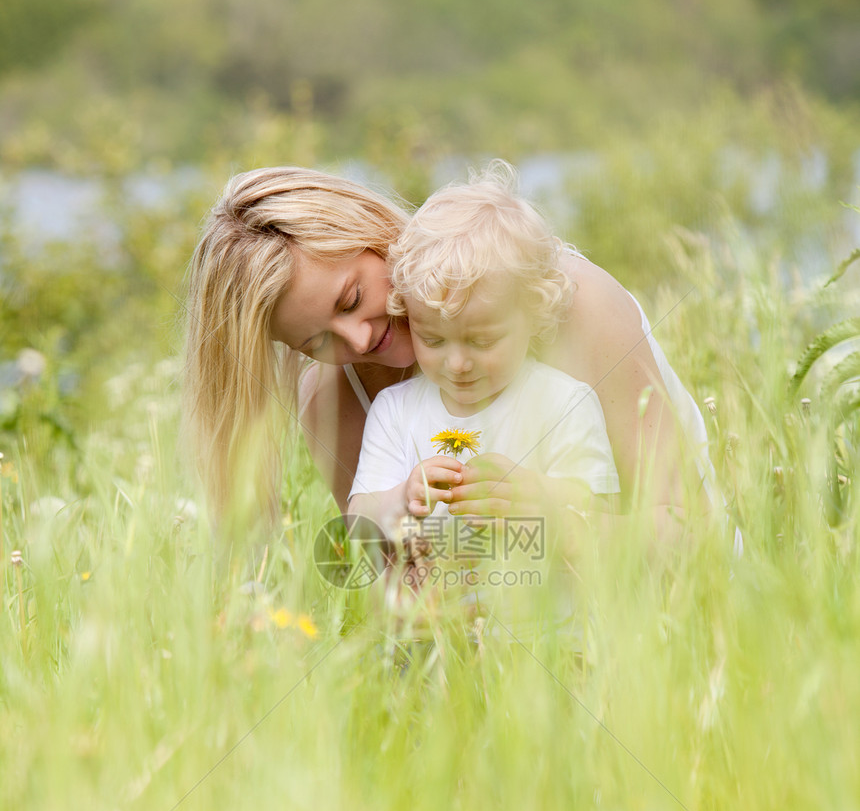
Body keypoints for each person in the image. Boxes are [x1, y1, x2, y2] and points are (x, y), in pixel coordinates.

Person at [182, 162, 719, 539]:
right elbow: (389, 578)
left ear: (369, 232)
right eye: (315, 341)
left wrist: (554, 521)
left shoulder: (570, 305)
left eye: (352, 298)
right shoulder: (330, 399)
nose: (360, 341)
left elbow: (691, 534)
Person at [347, 170, 619, 549]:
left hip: (540, 601)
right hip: (434, 602)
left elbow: (599, 510)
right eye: (433, 339)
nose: (457, 363)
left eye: (482, 340)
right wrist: (401, 498)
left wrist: (539, 496)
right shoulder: (395, 410)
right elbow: (358, 521)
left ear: (534, 314)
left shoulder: (563, 403)